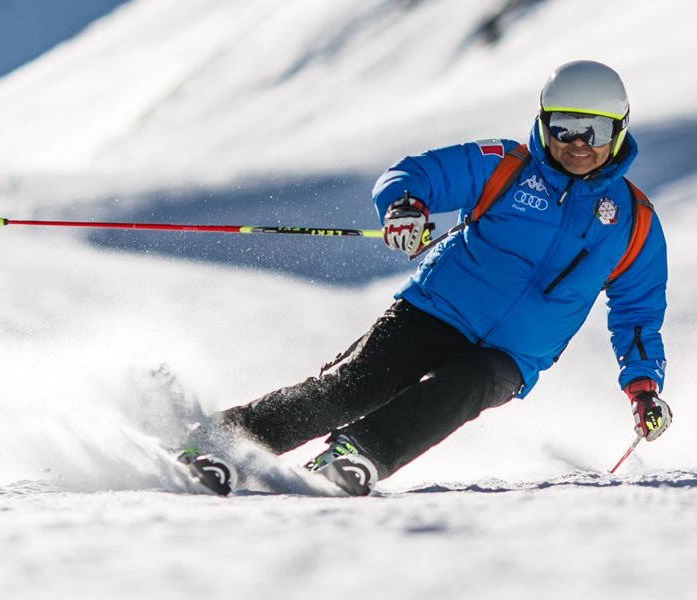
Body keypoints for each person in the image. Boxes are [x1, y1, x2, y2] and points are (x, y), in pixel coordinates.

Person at [178, 60, 671, 496]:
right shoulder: (506, 165)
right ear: (543, 123)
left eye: (595, 131)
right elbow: (417, 174)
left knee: (468, 385)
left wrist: (644, 389)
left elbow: (637, 314)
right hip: (436, 309)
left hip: (513, 355)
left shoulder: (635, 222)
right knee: (350, 389)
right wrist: (406, 207)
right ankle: (217, 442)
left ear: (619, 130)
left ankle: (355, 454)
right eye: (564, 128)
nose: (578, 144)